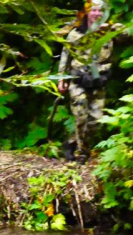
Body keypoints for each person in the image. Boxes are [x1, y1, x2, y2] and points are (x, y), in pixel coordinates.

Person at [57, 0, 115, 162]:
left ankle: (70, 142)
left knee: (96, 120)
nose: (97, 14)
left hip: (98, 81)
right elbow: (65, 56)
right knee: (81, 116)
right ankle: (81, 154)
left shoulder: (109, 32)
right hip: (78, 80)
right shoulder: (76, 34)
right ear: (87, 12)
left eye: (100, 11)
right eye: (94, 10)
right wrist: (62, 78)